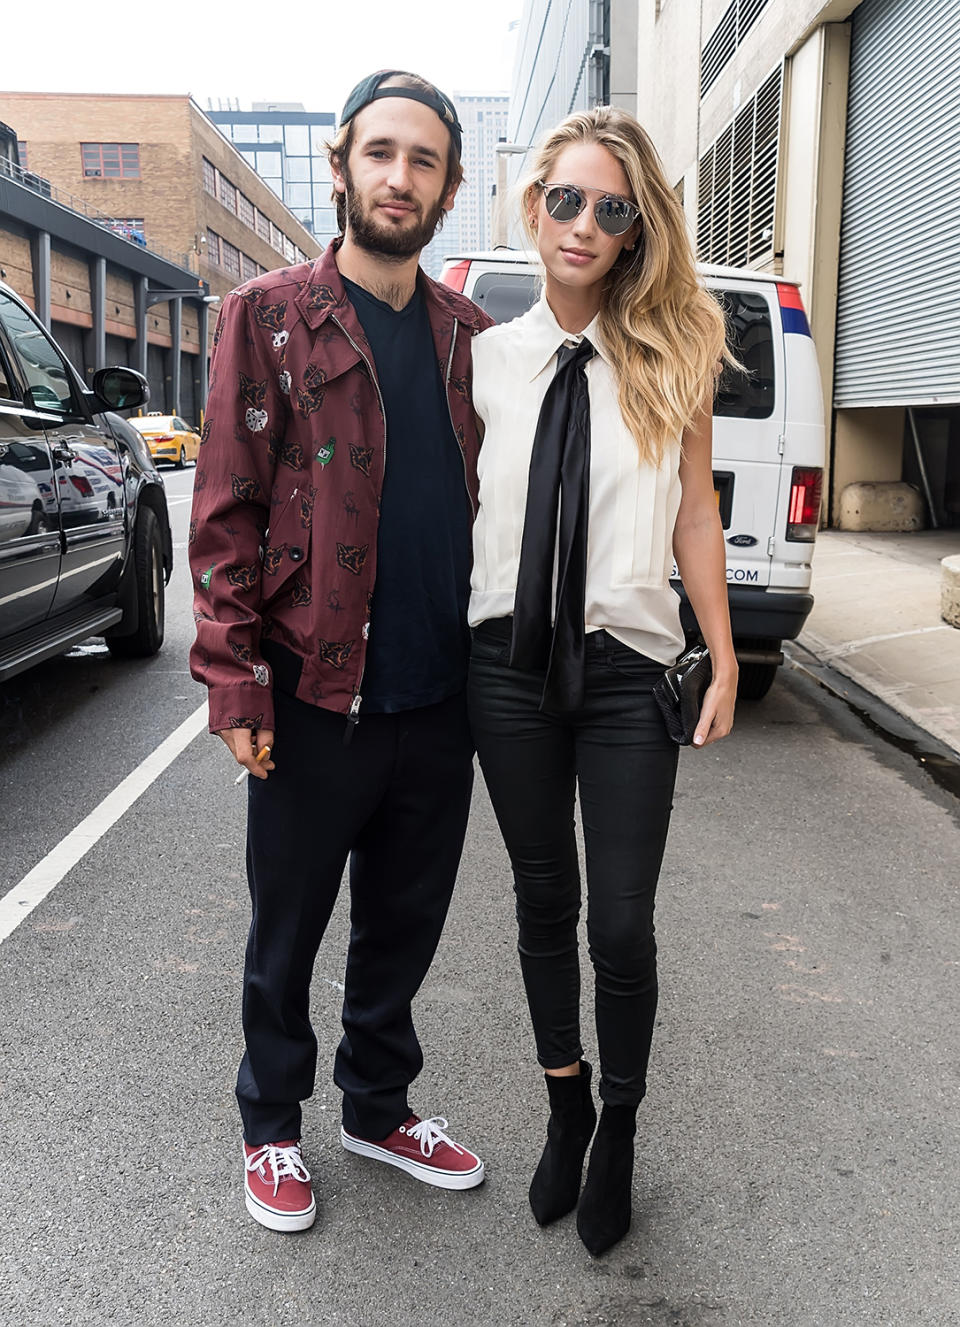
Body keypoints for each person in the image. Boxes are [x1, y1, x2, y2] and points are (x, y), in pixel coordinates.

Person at [189, 70, 494, 1233]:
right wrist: (234, 680)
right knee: (289, 925)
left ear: (449, 187)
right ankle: (271, 1124)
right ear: (343, 165)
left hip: (441, 696)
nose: (399, 177)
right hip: (315, 692)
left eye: (422, 161)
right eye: (381, 154)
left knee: (404, 923)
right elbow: (222, 509)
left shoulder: (472, 339)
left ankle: (378, 1103)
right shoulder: (266, 316)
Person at [466, 106, 738, 1257]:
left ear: (635, 232)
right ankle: (562, 1101)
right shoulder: (482, 358)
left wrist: (722, 653)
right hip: (508, 665)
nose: (584, 223)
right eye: (566, 200)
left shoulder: (674, 356)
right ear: (534, 210)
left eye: (611, 208)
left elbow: (694, 512)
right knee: (544, 902)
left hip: (629, 672)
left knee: (621, 922)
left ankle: (618, 1121)